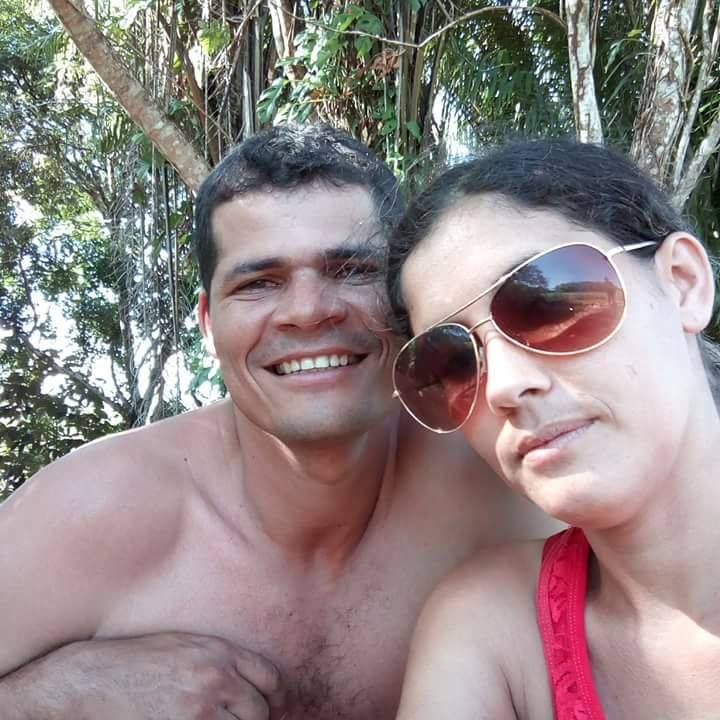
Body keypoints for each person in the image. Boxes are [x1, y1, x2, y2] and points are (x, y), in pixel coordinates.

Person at [0, 125, 558, 720]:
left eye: (351, 270)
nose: (308, 311)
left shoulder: (508, 479)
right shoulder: (93, 512)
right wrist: (57, 695)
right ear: (209, 324)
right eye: (259, 283)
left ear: (406, 301)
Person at [386, 137, 720, 720]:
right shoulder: (494, 630)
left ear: (683, 283)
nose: (503, 386)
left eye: (548, 302)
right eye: (452, 362)